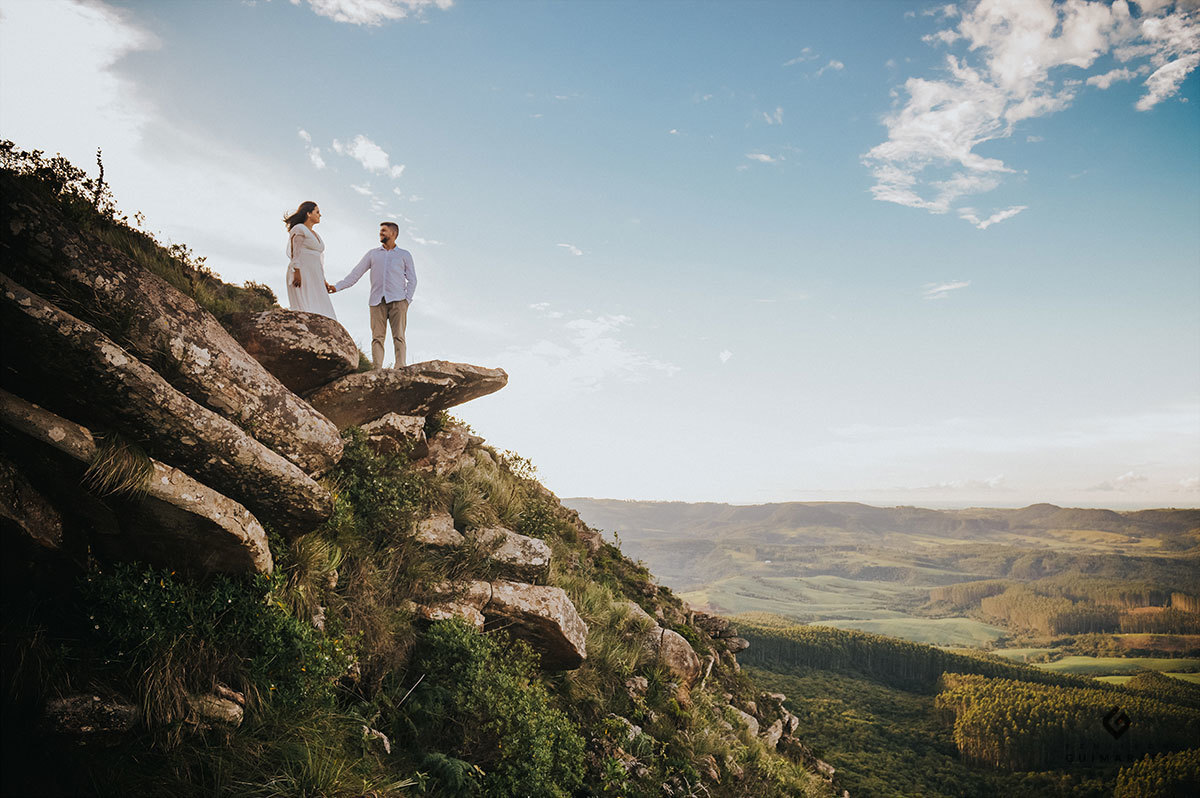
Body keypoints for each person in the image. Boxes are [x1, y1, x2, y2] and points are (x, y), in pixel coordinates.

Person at [330, 221, 417, 368]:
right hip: (377, 301)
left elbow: (412, 279)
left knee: (399, 336)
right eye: (380, 231)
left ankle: (400, 367)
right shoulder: (373, 254)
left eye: (384, 231)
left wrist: (406, 301)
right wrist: (337, 287)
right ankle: (377, 369)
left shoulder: (404, 255)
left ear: (394, 234)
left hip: (398, 301)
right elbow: (355, 274)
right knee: (377, 338)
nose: (380, 233)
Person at [283, 201, 337, 320]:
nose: (320, 215)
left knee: (321, 303)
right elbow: (295, 252)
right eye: (317, 212)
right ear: (308, 213)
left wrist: (323, 279)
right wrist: (297, 271)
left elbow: (319, 260)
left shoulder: (316, 234)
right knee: (305, 304)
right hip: (302, 272)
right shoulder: (299, 229)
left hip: (315, 274)